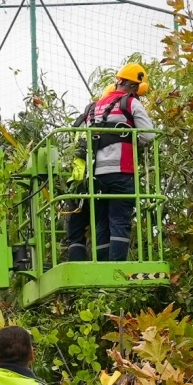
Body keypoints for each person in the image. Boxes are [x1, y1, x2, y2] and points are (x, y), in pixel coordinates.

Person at [66, 62, 155, 263]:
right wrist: (134, 139)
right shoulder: (130, 103)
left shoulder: (94, 107)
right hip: (121, 171)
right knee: (120, 221)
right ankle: (116, 267)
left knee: (102, 223)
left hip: (95, 175)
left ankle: (102, 266)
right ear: (134, 86)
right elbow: (149, 136)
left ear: (119, 81)